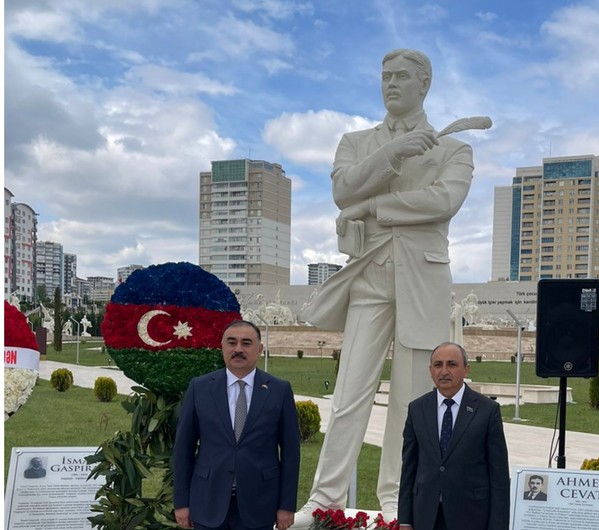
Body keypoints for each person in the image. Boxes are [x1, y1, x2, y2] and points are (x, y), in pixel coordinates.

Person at [300, 48, 475, 517]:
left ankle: (398, 502)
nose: (391, 84)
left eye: (401, 77)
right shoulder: (356, 142)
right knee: (349, 391)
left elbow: (443, 200)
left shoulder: (455, 148)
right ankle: (325, 499)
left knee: (411, 400)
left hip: (424, 281)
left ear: (425, 84)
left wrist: (375, 208)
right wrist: (393, 152)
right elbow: (344, 190)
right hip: (369, 277)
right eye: (385, 77)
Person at [173, 320, 300, 530]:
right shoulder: (200, 388)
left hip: (259, 503)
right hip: (208, 501)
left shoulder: (279, 390)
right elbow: (183, 449)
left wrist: (286, 506)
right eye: (232, 342)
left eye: (246, 343)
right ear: (222, 346)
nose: (238, 349)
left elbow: (290, 453)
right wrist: (181, 503)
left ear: (259, 349)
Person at [398, 342, 509, 530]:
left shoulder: (487, 411)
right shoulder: (417, 409)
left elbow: (499, 476)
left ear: (466, 369)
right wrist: (405, 520)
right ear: (430, 370)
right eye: (438, 365)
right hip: (426, 516)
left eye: (452, 364)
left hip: (471, 517)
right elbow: (409, 468)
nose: (444, 371)